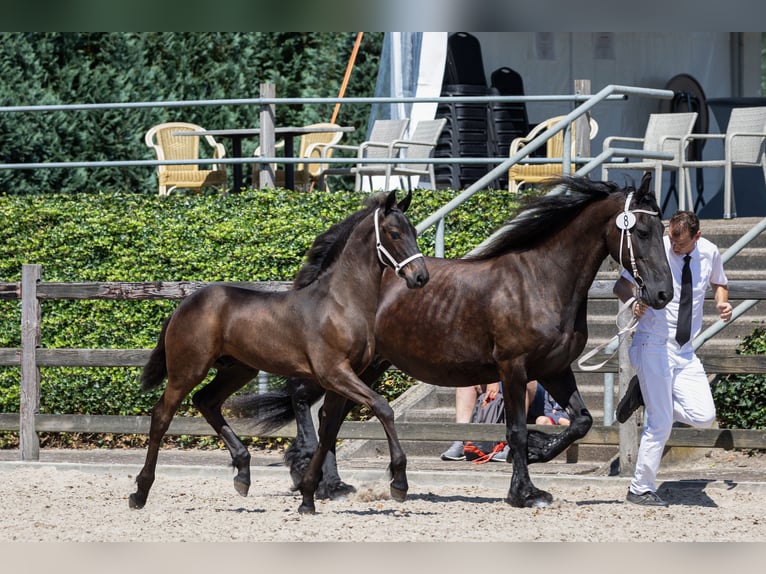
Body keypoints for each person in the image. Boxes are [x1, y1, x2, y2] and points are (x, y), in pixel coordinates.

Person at [613, 210, 732, 507]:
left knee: (704, 417)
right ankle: (640, 488)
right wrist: (635, 301)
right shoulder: (658, 249)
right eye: (671, 240)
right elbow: (621, 284)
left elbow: (720, 283)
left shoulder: (709, 252)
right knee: (661, 422)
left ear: (697, 237)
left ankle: (646, 395)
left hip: (685, 349)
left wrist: (722, 303)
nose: (674, 247)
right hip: (653, 342)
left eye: (680, 244)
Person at [440, 380, 540, 461]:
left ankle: (511, 444)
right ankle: (461, 440)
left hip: (529, 381)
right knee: (465, 382)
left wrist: (494, 379)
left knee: (517, 380)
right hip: (496, 374)